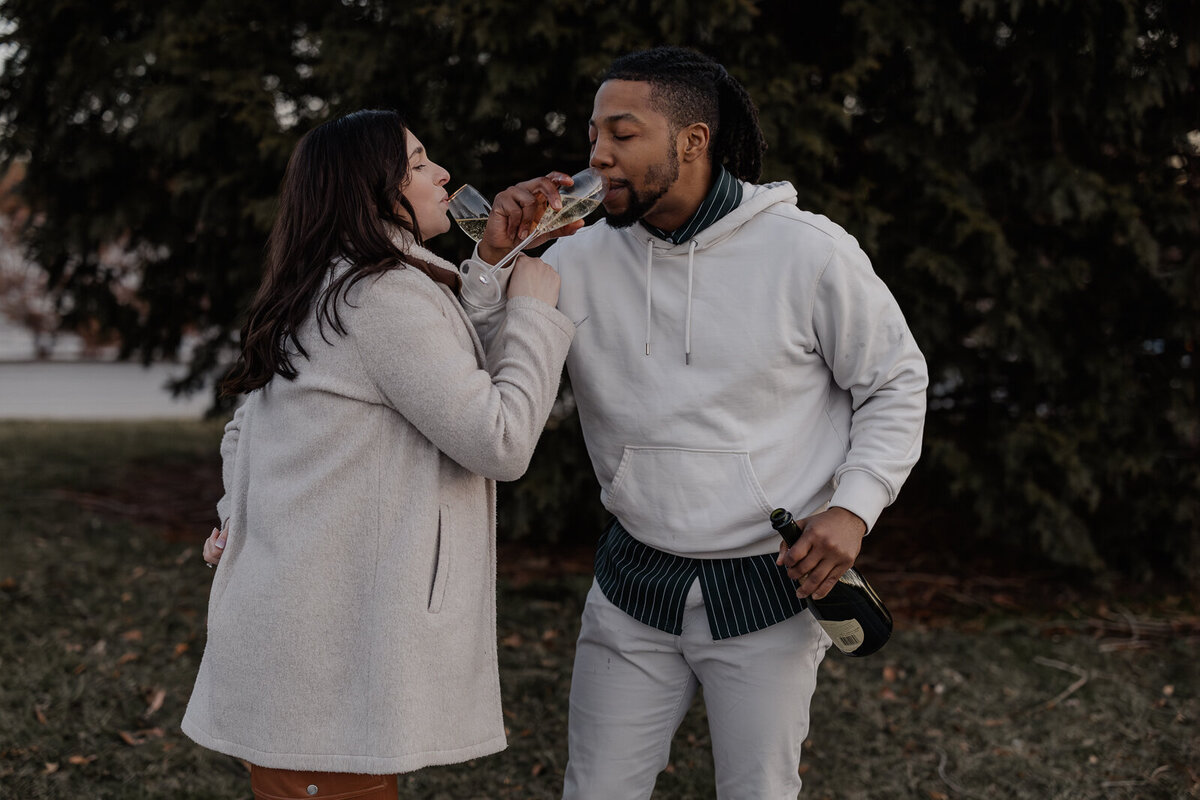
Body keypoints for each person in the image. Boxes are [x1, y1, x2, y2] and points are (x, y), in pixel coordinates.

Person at [459, 47, 929, 799]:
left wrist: (853, 509)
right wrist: (493, 257)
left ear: (692, 141)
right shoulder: (573, 258)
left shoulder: (808, 252)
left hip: (770, 592)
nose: (598, 156)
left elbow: (895, 382)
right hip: (631, 586)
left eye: (622, 134)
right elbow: (479, 377)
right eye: (593, 136)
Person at [182, 109, 576, 800]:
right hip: (329, 652)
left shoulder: (336, 281)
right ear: (372, 188)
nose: (442, 173)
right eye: (419, 163)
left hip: (307, 635)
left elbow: (248, 429)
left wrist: (488, 266)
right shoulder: (382, 293)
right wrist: (535, 311)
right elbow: (501, 440)